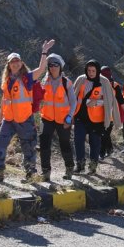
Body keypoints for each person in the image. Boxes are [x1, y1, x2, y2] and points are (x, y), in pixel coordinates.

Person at [0, 40, 54, 182]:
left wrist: (44, 51)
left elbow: (41, 69)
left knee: (28, 147)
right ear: (9, 65)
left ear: (21, 63)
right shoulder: (6, 82)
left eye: (17, 61)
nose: (15, 63)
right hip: (9, 119)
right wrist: (0, 120)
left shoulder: (27, 78)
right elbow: (4, 102)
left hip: (25, 119)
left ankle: (30, 174)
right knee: (0, 143)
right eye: (13, 62)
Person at [73, 60, 122, 174]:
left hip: (96, 119)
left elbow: (110, 101)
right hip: (80, 117)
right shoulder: (81, 79)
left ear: (98, 71)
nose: (90, 73)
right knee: (78, 140)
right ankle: (80, 165)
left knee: (95, 143)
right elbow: (73, 96)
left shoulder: (104, 82)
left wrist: (96, 102)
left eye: (93, 71)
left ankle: (93, 167)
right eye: (89, 70)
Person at [39, 52, 76, 180]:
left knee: (64, 143)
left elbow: (73, 102)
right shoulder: (44, 81)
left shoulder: (67, 82)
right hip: (47, 118)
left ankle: (69, 168)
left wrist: (70, 117)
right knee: (44, 144)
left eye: (55, 64)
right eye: (50, 65)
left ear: (60, 67)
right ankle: (45, 171)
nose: (53, 67)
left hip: (63, 119)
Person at [100, 66, 124, 159]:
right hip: (98, 113)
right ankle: (110, 149)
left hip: (110, 114)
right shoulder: (97, 83)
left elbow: (121, 100)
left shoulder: (115, 85)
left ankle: (101, 153)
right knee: (103, 133)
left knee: (105, 133)